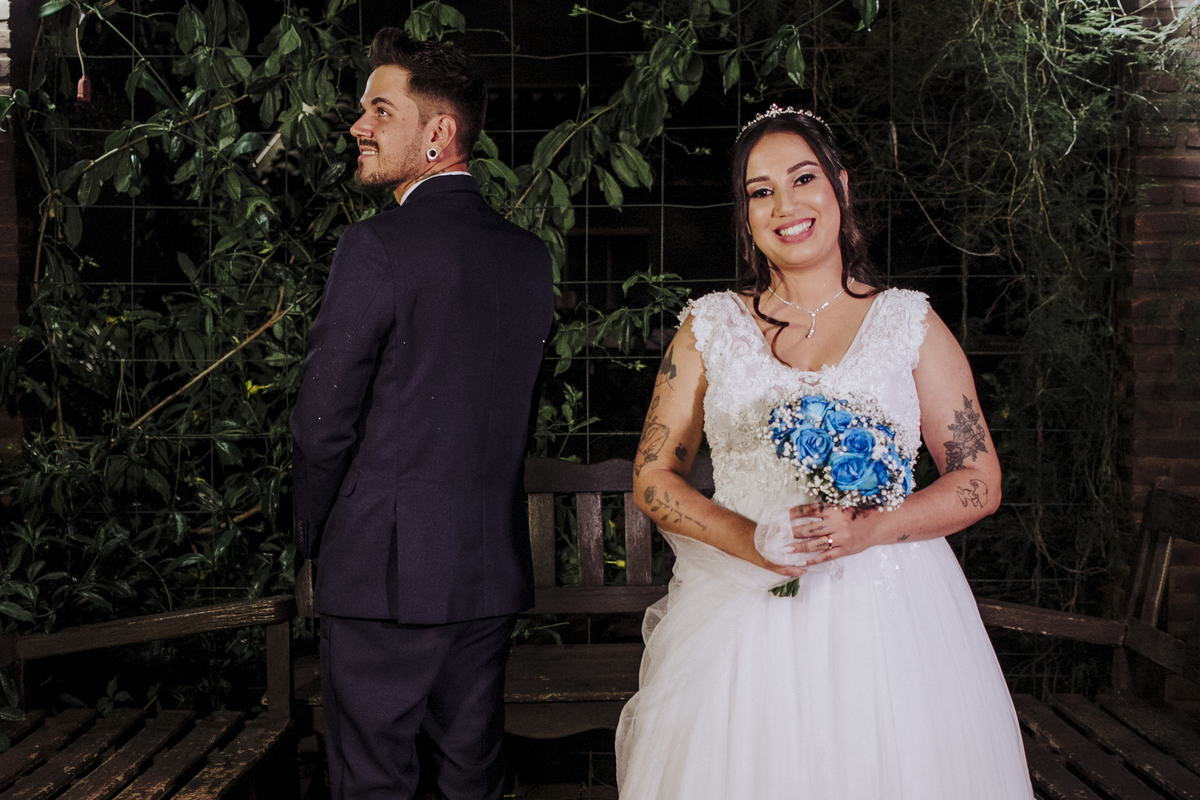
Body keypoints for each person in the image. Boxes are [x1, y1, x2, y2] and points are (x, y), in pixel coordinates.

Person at [616, 105, 1033, 799]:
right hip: (742, 618)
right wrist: (753, 541)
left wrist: (872, 527)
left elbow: (980, 480)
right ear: (746, 214)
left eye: (803, 178)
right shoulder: (709, 326)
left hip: (891, 616)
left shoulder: (909, 323)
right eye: (761, 191)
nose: (785, 205)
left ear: (840, 185)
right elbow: (654, 479)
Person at [289, 27, 554, 800]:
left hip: (379, 578)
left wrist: (317, 539)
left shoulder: (374, 248)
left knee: (374, 785)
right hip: (486, 575)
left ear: (438, 133)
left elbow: (319, 424)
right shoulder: (529, 258)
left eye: (381, 110)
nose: (357, 126)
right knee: (471, 783)